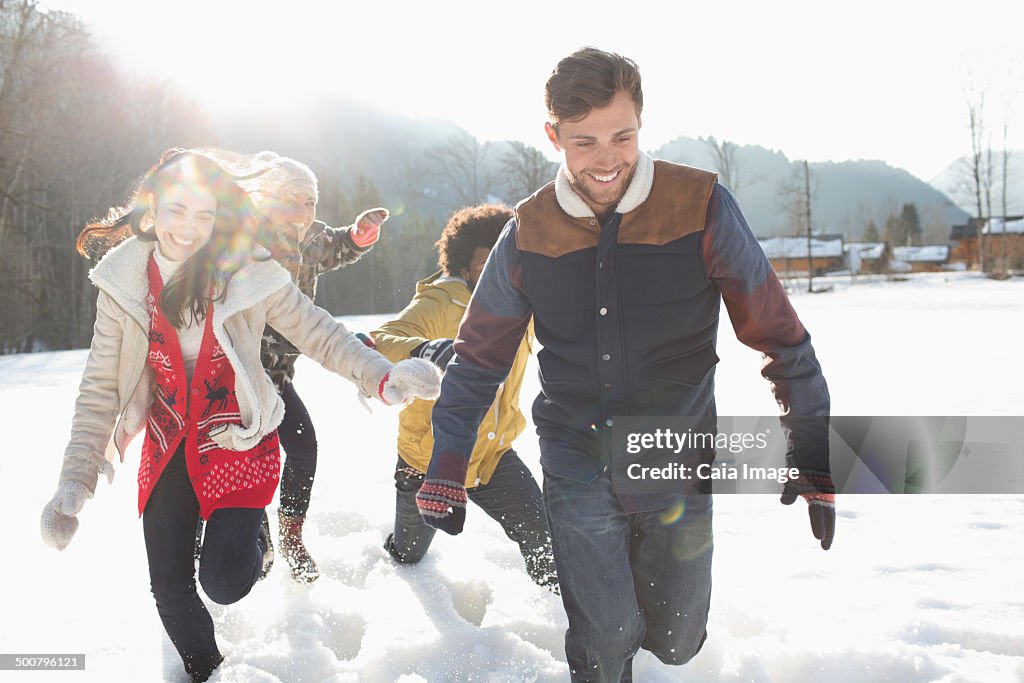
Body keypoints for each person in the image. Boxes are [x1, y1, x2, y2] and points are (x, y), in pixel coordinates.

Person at [414, 48, 835, 682]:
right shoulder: (530, 231)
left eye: (623, 136)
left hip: (674, 457)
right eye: (584, 142)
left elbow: (780, 336)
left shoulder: (700, 207)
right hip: (576, 461)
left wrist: (811, 447)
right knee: (605, 641)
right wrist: (447, 459)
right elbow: (478, 359)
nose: (607, 157)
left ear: (641, 123)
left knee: (676, 641)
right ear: (553, 135)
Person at [38, 149, 440, 683]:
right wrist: (76, 477)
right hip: (168, 445)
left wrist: (381, 376)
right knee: (170, 586)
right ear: (152, 208)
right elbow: (99, 386)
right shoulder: (123, 282)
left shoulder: (248, 271)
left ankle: (254, 538)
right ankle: (209, 672)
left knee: (225, 583)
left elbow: (318, 331)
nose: (189, 228)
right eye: (177, 211)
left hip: (238, 437)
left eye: (205, 216)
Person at [371, 204, 557, 591]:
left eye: (507, 259)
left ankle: (563, 607)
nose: (498, 271)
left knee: (546, 542)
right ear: (463, 263)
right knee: (408, 553)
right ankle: (396, 552)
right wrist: (426, 350)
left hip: (492, 455)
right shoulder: (444, 300)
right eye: (486, 261)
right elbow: (381, 339)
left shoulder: (525, 303)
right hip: (427, 460)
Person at [244, 151, 387, 583]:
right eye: (291, 200)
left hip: (281, 374)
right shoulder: (244, 245)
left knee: (303, 448)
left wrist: (358, 237)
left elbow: (336, 246)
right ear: (265, 201)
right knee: (250, 460)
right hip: (238, 377)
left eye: (310, 202)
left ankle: (290, 535)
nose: (303, 212)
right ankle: (256, 538)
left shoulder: (311, 238)